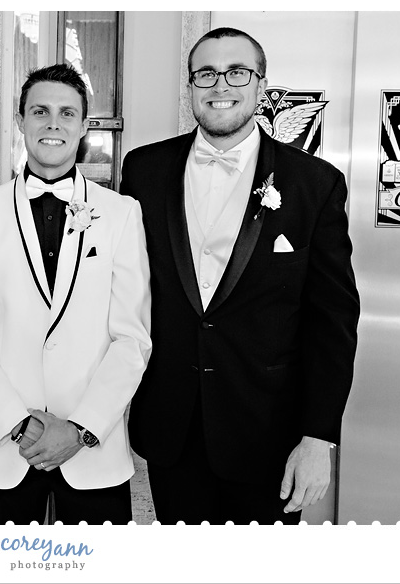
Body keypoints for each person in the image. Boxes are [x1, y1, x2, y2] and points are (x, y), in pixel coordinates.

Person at [120, 27, 360, 525]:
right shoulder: (143, 170)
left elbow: (332, 320)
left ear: (261, 85)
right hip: (172, 429)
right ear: (190, 86)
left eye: (237, 72)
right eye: (206, 73)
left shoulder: (314, 184)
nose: (220, 85)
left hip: (269, 436)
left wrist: (319, 437)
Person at [0, 64, 151, 525]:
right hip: (6, 448)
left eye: (66, 113)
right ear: (21, 121)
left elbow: (132, 337)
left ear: (83, 126)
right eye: (40, 111)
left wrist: (82, 428)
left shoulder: (121, 214)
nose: (53, 124)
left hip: (93, 449)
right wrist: (17, 422)